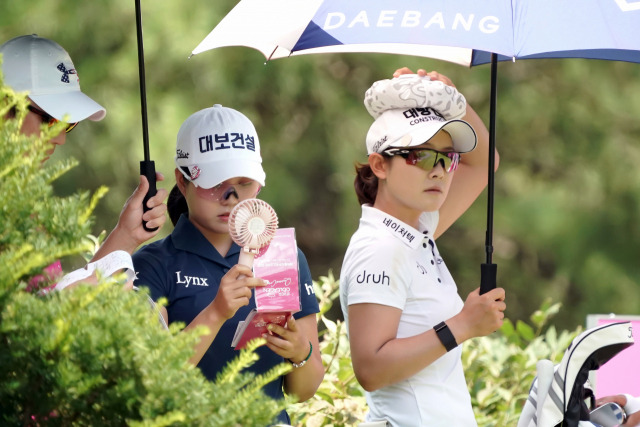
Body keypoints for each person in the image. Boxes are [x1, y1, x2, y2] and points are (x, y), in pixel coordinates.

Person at [132, 104, 324, 425]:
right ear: (183, 181)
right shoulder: (152, 264)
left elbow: (301, 392)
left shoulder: (281, 255)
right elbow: (153, 382)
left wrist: (299, 352)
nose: (231, 196)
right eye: (215, 182)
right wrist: (216, 312)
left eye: (244, 182)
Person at [339, 69, 507, 427]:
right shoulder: (380, 248)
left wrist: (451, 97)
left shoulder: (416, 229)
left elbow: (484, 162)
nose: (440, 171)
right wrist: (461, 325)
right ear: (379, 164)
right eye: (421, 156)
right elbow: (370, 367)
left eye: (447, 158)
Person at [1, 34, 167, 274]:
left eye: (67, 123)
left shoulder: (24, 199)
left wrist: (126, 235)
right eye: (50, 119)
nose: (60, 137)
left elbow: (53, 304)